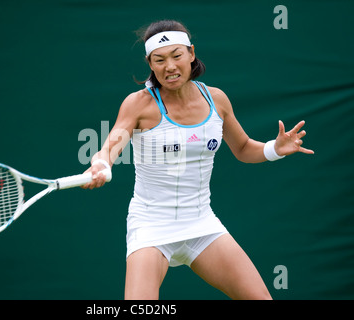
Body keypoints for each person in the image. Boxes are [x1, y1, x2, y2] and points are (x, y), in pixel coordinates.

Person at [82, 20, 314, 300]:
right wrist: (101, 164)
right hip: (151, 226)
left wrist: (274, 149)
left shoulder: (216, 99)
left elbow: (242, 148)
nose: (169, 66)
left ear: (191, 54)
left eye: (176, 56)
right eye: (159, 60)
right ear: (150, 64)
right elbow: (109, 147)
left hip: (202, 224)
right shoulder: (138, 104)